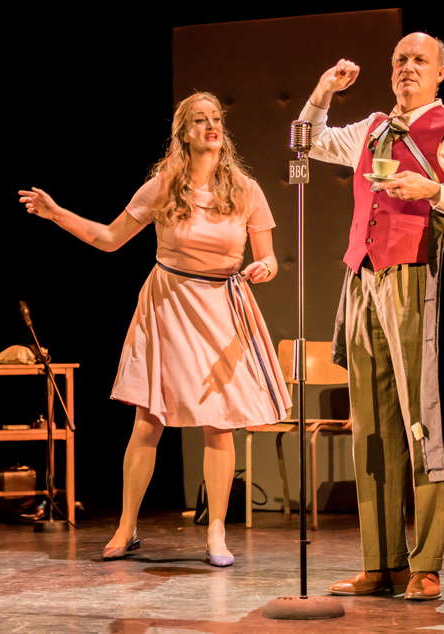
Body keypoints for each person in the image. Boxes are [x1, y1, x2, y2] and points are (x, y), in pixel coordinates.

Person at [19, 91, 291, 566]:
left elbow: (266, 256)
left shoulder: (246, 190)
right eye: (200, 121)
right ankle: (126, 528)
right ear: (184, 133)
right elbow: (108, 239)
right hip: (169, 304)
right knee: (149, 418)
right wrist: (57, 213)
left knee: (220, 421)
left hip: (223, 305)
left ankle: (217, 533)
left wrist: (265, 268)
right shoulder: (164, 186)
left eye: (216, 120)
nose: (211, 127)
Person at [298, 33, 444, 600]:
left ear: (441, 72)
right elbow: (307, 142)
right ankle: (380, 564)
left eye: (419, 61)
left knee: (427, 423)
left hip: (421, 283)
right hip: (364, 280)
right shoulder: (370, 128)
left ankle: (425, 564)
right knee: (371, 427)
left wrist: (433, 189)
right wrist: (323, 90)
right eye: (399, 61)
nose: (407, 69)